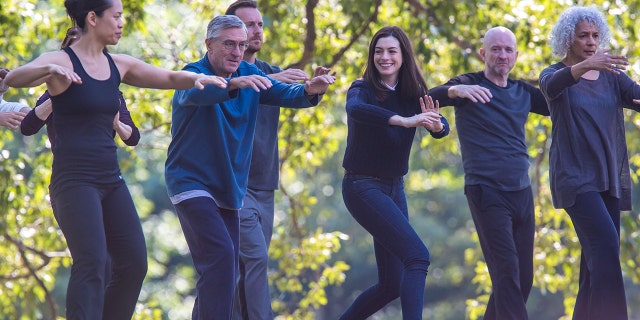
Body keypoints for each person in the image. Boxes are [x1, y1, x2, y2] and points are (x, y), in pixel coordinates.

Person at [4, 0, 227, 318]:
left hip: (110, 179)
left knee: (134, 262)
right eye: (117, 16)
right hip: (73, 181)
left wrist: (195, 79)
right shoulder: (60, 59)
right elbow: (16, 79)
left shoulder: (118, 65)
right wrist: (49, 70)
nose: (122, 23)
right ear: (93, 19)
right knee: (92, 262)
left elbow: (166, 77)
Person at [164, 14, 335, 320]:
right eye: (229, 44)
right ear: (209, 44)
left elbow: (285, 94)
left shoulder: (250, 72)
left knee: (225, 270)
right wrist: (234, 83)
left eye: (241, 45)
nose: (237, 51)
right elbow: (194, 92)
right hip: (191, 184)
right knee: (222, 256)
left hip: (229, 189)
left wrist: (312, 90)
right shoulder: (193, 72)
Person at [429, 26, 549, 319]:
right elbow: (430, 96)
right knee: (506, 276)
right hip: (487, 193)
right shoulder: (469, 85)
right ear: (483, 53)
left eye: (508, 50)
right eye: (496, 49)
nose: (502, 55)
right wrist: (455, 90)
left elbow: (561, 99)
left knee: (522, 281)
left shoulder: (523, 92)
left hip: (521, 192)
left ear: (516, 55)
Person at [224, 2, 332, 319]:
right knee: (254, 260)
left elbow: (294, 94)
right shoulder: (219, 74)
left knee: (238, 271)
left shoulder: (272, 71)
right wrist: (272, 80)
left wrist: (312, 88)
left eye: (259, 24)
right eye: (248, 25)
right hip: (233, 186)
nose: (256, 30)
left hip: (264, 185)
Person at [339, 26, 449, 320]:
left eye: (391, 51)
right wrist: (401, 120)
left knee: (391, 286)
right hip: (361, 187)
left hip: (393, 188)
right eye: (378, 51)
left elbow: (439, 121)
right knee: (417, 256)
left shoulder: (413, 94)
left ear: (403, 56)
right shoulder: (361, 89)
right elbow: (356, 111)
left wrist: (438, 126)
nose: (384, 57)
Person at [539, 6, 640, 320]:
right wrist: (585, 66)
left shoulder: (611, 77)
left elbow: (635, 94)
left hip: (607, 179)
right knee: (608, 248)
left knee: (593, 265)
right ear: (569, 39)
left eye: (595, 36)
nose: (591, 41)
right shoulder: (552, 74)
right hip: (575, 180)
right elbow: (551, 87)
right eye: (583, 36)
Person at [22, 27, 140, 148]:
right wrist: (59, 97)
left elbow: (133, 139)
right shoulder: (52, 94)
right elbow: (27, 128)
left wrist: (116, 125)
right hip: (66, 165)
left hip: (102, 164)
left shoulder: (110, 92)